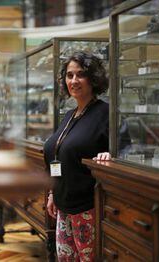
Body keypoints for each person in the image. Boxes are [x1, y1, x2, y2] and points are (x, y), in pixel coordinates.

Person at [43, 51, 111, 261]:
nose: (74, 80)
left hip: (87, 207)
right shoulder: (70, 115)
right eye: (69, 75)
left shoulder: (105, 113)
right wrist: (53, 193)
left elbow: (125, 150)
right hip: (63, 205)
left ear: (93, 78)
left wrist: (110, 154)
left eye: (80, 74)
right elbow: (57, 153)